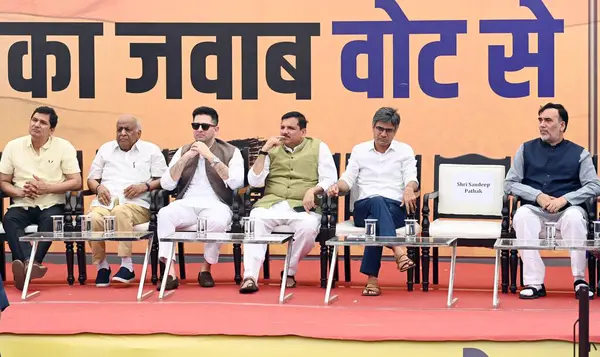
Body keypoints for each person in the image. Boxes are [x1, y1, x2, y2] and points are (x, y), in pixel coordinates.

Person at [504, 103, 600, 300]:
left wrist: (566, 199)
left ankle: (579, 280)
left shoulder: (580, 154)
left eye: (548, 120)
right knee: (521, 215)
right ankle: (534, 282)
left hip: (567, 211)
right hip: (535, 209)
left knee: (574, 217)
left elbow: (594, 185)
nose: (542, 125)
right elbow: (509, 183)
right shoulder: (525, 149)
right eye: (540, 120)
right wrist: (537, 195)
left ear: (562, 125)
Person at [239, 111, 337, 294]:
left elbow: (330, 178)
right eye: (282, 127)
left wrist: (313, 190)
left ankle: (289, 271)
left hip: (302, 206)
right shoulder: (271, 149)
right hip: (271, 204)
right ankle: (250, 276)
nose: (285, 131)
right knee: (254, 221)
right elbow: (255, 182)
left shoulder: (318, 147)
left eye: (291, 128)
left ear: (303, 132)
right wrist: (263, 151)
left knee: (308, 228)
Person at [327, 107, 418, 296]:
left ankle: (372, 280)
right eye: (379, 129)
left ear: (395, 131)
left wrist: (409, 188)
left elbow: (412, 177)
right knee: (375, 201)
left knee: (374, 223)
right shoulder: (360, 150)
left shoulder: (404, 150)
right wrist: (337, 186)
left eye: (389, 130)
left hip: (394, 209)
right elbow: (348, 180)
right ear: (373, 127)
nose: (383, 134)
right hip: (363, 207)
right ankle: (398, 250)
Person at [157, 106, 244, 290]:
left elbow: (236, 182)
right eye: (195, 125)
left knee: (218, 221)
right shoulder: (184, 150)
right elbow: (166, 184)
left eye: (205, 126)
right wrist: (185, 158)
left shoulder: (231, 151)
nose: (199, 130)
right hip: (186, 204)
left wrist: (210, 156)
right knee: (164, 214)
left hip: (217, 204)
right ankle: (170, 273)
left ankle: (205, 269)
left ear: (216, 128)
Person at [0, 106, 82, 290]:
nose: (36, 125)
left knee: (51, 220)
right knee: (9, 219)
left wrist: (48, 188)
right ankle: (31, 263)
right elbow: (3, 181)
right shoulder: (13, 146)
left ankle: (26, 266)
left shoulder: (63, 147)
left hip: (52, 202)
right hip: (23, 202)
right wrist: (19, 192)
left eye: (43, 122)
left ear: (51, 130)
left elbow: (76, 182)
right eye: (34, 120)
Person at [86, 115, 167, 287]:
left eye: (127, 130)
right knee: (91, 218)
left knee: (120, 212)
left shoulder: (151, 150)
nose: (122, 133)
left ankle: (126, 265)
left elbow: (163, 180)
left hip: (137, 205)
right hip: (105, 203)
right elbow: (92, 179)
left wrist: (144, 186)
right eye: (119, 129)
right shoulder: (105, 149)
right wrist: (99, 188)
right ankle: (102, 266)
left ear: (138, 133)